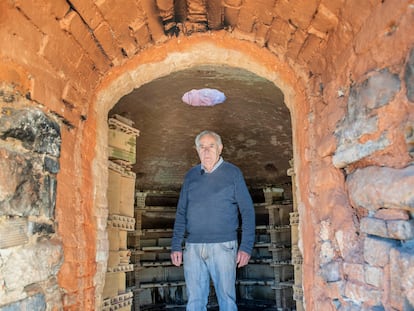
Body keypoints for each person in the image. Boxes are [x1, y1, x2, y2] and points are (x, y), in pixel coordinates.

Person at [170, 130, 256, 311]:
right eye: (202, 147)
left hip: (224, 247)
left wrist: (246, 247)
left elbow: (247, 211)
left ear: (220, 149)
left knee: (227, 300)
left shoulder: (233, 174)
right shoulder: (190, 176)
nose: (206, 151)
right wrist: (176, 245)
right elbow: (181, 212)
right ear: (196, 150)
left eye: (211, 146)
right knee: (194, 301)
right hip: (193, 248)